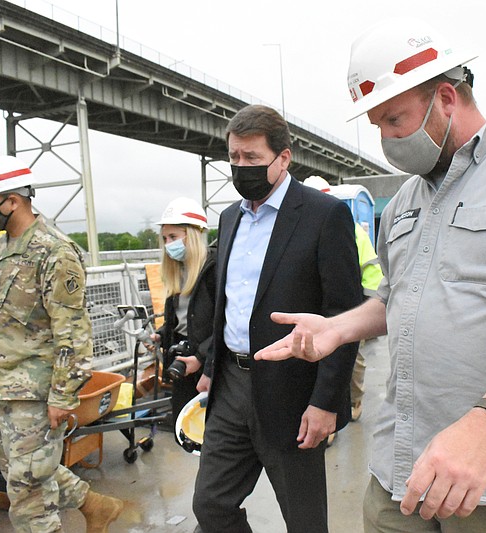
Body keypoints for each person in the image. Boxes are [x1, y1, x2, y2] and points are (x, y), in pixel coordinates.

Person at [256, 18, 486, 532]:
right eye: (377, 125)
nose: (386, 138)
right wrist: (338, 328)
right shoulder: (408, 198)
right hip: (400, 466)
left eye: (394, 119)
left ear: (447, 98)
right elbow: (397, 296)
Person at [191, 104, 361, 533]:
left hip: (292, 391)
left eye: (252, 159)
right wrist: (213, 366)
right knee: (211, 505)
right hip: (231, 386)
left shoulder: (323, 216)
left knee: (304, 521)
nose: (241, 167)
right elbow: (226, 303)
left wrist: (325, 402)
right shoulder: (229, 218)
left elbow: (344, 314)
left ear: (283, 158)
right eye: (234, 158)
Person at [0, 155, 123, 533]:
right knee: (22, 470)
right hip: (0, 387)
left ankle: (80, 512)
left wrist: (62, 396)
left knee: (28, 501)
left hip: (36, 392)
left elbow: (73, 334)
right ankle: (95, 505)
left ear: (13, 200)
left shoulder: (54, 252)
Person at [303, 175, 384, 425]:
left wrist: (364, 310)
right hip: (315, 310)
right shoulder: (298, 231)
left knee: (353, 357)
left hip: (350, 308)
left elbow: (371, 269)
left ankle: (354, 399)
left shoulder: (351, 229)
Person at [151, 197, 216, 424]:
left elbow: (224, 322)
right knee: (184, 420)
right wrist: (161, 333)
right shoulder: (177, 271)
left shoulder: (213, 269)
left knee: (208, 423)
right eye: (165, 238)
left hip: (208, 360)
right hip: (182, 354)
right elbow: (179, 318)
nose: (168, 244)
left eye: (173, 237)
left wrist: (201, 357)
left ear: (193, 235)